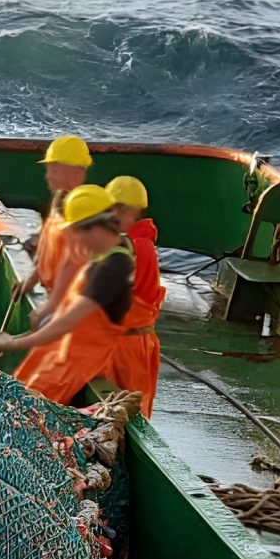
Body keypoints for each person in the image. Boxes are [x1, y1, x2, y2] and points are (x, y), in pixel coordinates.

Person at [0, 184, 133, 406]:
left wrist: (12, 344)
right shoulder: (100, 257)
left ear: (94, 227)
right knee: (18, 394)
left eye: (75, 232)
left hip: (77, 363)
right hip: (61, 353)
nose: (74, 241)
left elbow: (68, 322)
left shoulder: (112, 268)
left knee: (28, 407)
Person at [104, 174, 164, 415]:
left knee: (126, 414)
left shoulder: (135, 248)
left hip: (127, 346)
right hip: (133, 342)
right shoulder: (139, 243)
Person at [19, 135, 94, 327]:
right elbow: (47, 252)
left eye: (53, 169)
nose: (47, 176)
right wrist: (30, 281)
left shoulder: (87, 212)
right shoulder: (58, 205)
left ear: (75, 173)